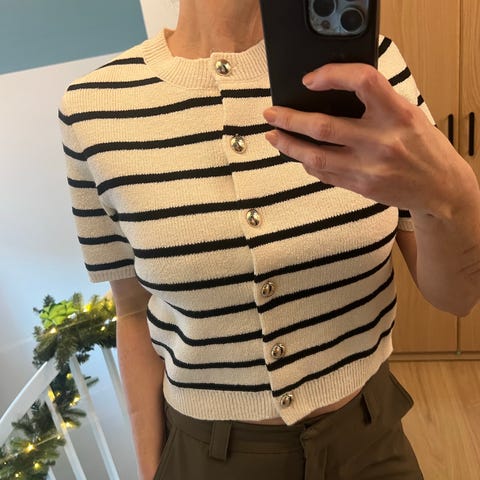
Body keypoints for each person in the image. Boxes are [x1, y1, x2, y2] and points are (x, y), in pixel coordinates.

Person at [59, 1, 480, 479]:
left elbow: (458, 297)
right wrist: (153, 470)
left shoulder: (371, 74)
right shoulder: (93, 110)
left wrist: (453, 199)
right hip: (206, 457)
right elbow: (133, 314)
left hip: (370, 444)